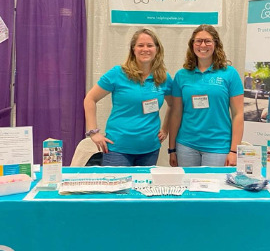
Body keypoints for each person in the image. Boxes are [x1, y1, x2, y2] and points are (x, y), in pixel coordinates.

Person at [83, 28, 172, 166]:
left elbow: (173, 105)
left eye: (150, 45)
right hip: (118, 149)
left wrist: (165, 129)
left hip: (150, 149)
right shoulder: (118, 73)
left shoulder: (163, 77)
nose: (145, 49)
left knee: (143, 188)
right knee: (117, 188)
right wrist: (93, 132)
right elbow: (90, 99)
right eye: (140, 45)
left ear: (157, 49)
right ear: (133, 49)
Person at [167, 24, 245, 167]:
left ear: (216, 44)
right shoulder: (181, 76)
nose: (203, 45)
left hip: (218, 146)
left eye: (208, 41)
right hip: (186, 146)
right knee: (188, 187)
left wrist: (234, 151)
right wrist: (172, 149)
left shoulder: (229, 73)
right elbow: (176, 114)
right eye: (198, 41)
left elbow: (238, 114)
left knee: (214, 188)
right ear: (192, 45)